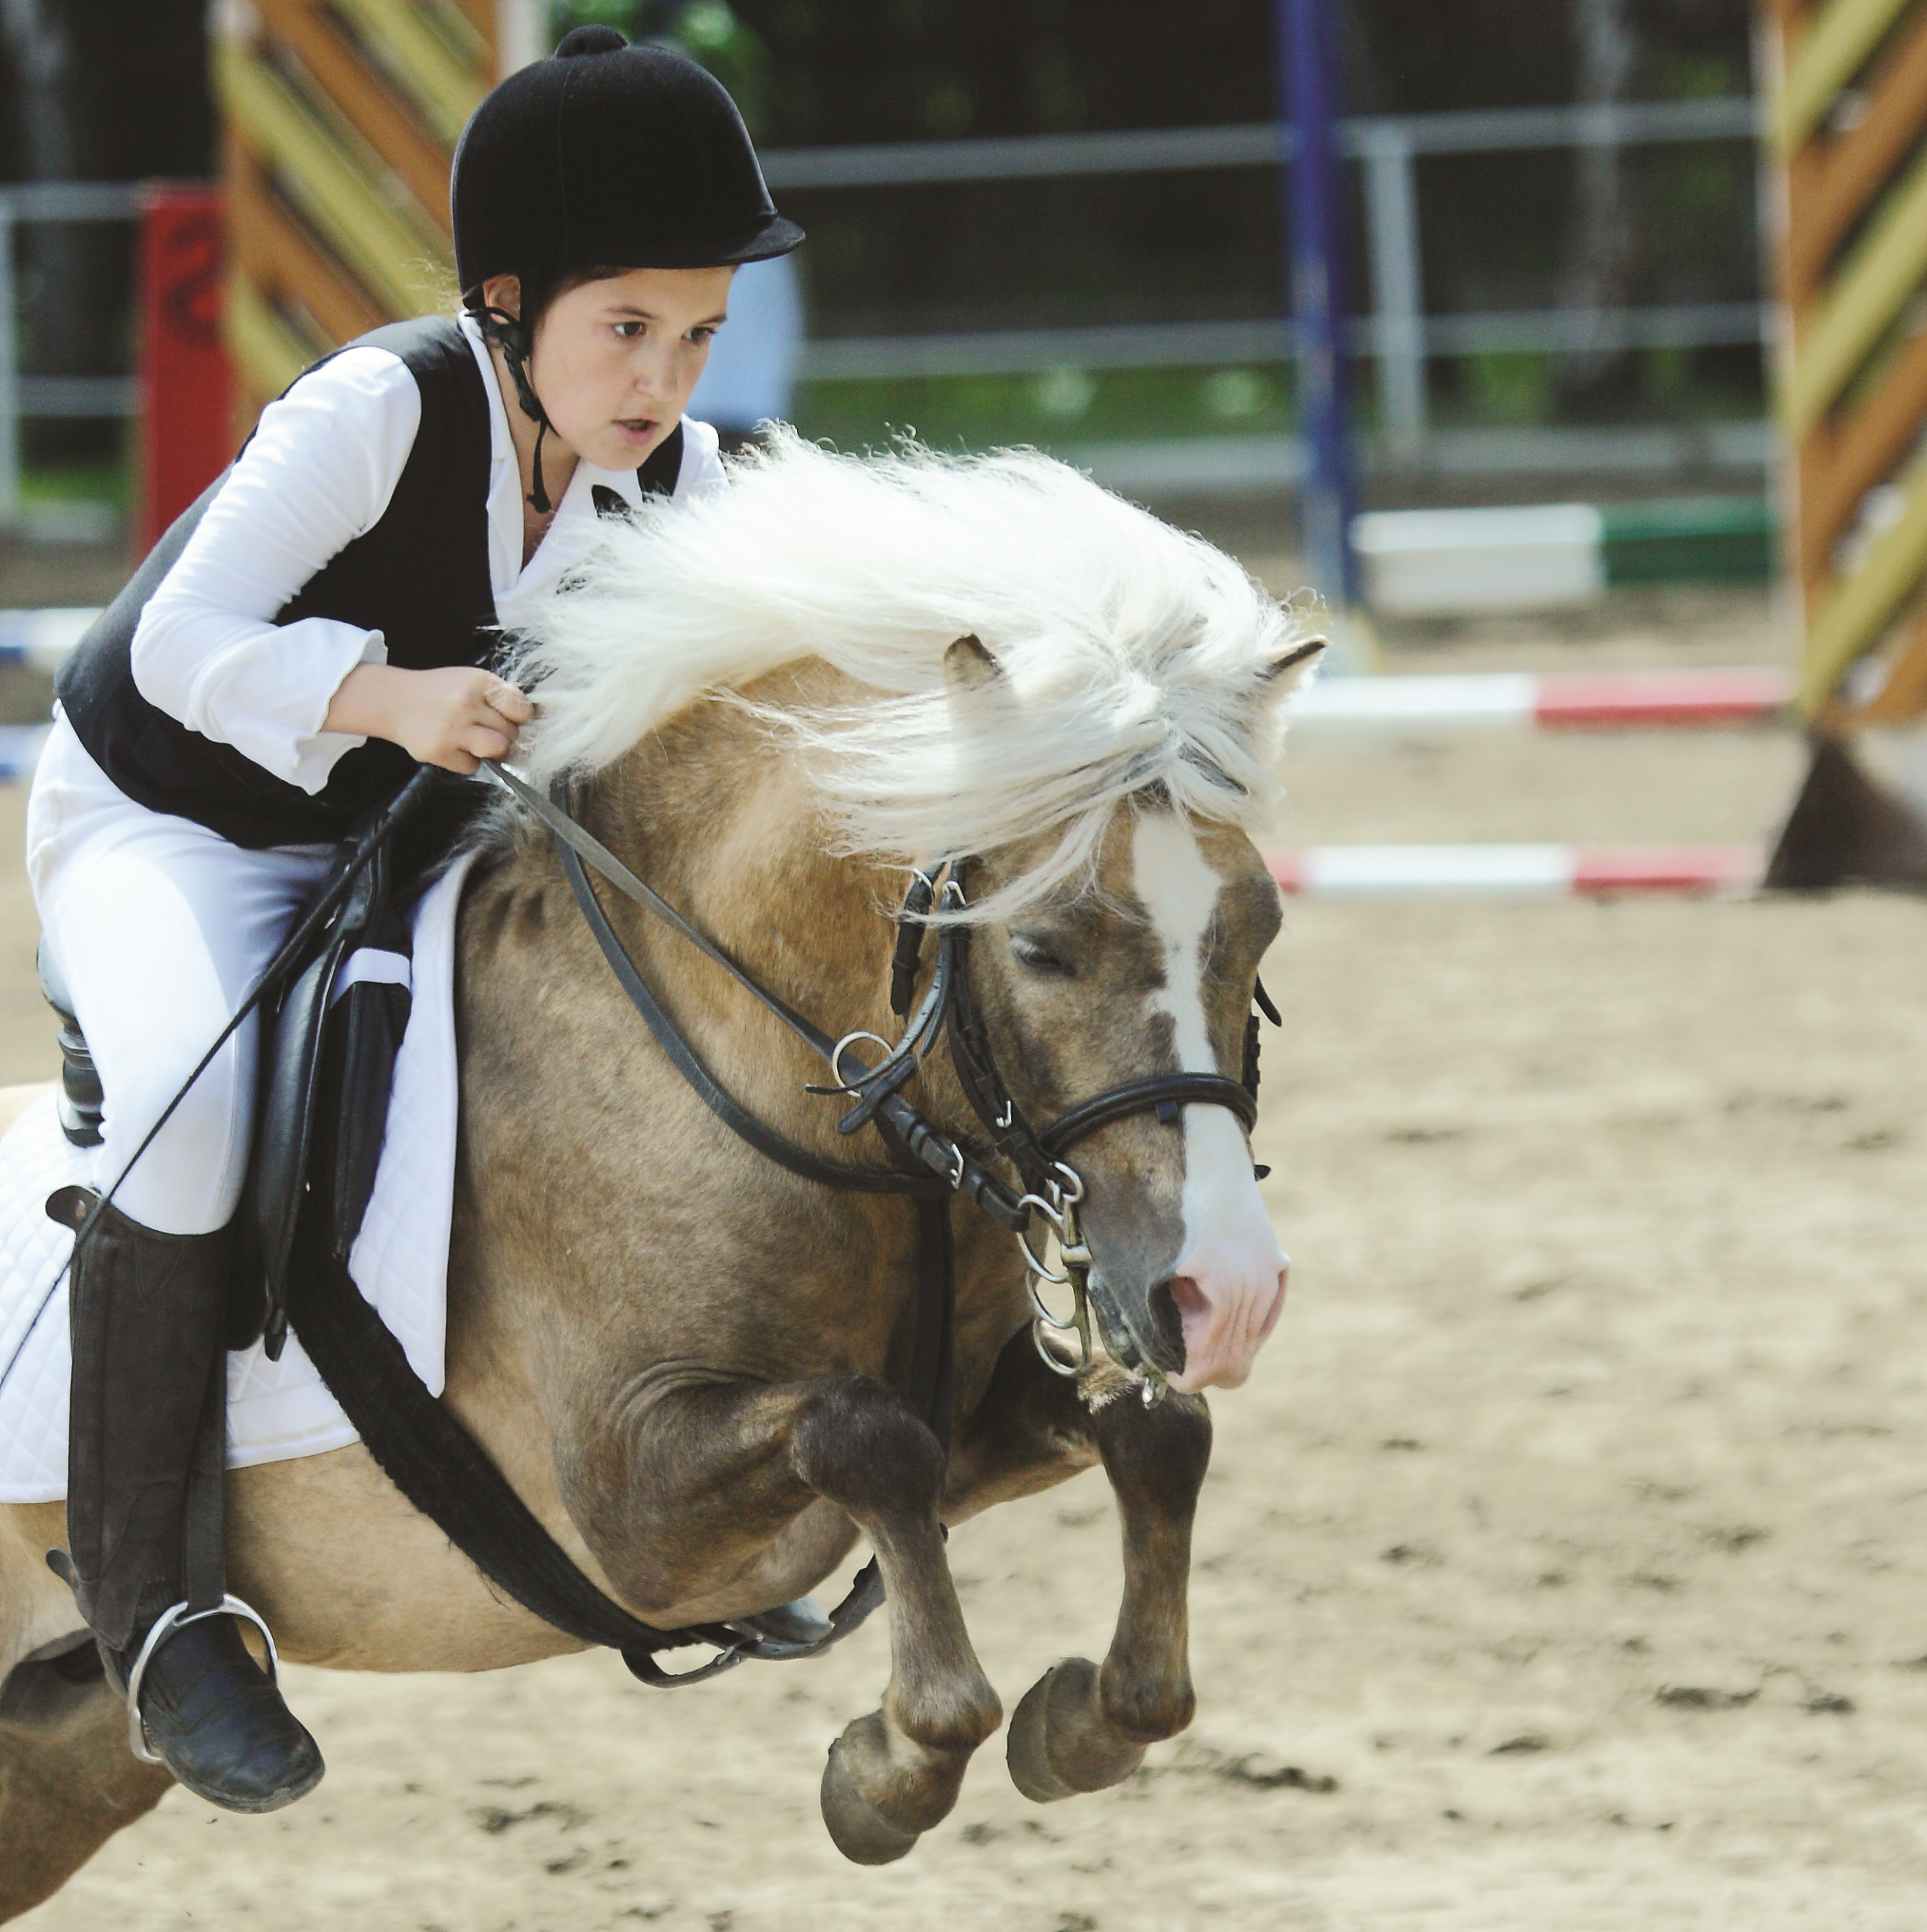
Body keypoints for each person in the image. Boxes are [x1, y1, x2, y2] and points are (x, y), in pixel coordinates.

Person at [28, 26, 802, 1813]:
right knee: (195, 1105)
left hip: (395, 834)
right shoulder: (378, 409)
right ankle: (156, 1608)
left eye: (697, 334)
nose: (665, 379)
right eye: (629, 329)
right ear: (507, 299)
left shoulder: (675, 476)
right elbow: (168, 646)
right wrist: (385, 694)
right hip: (167, 819)